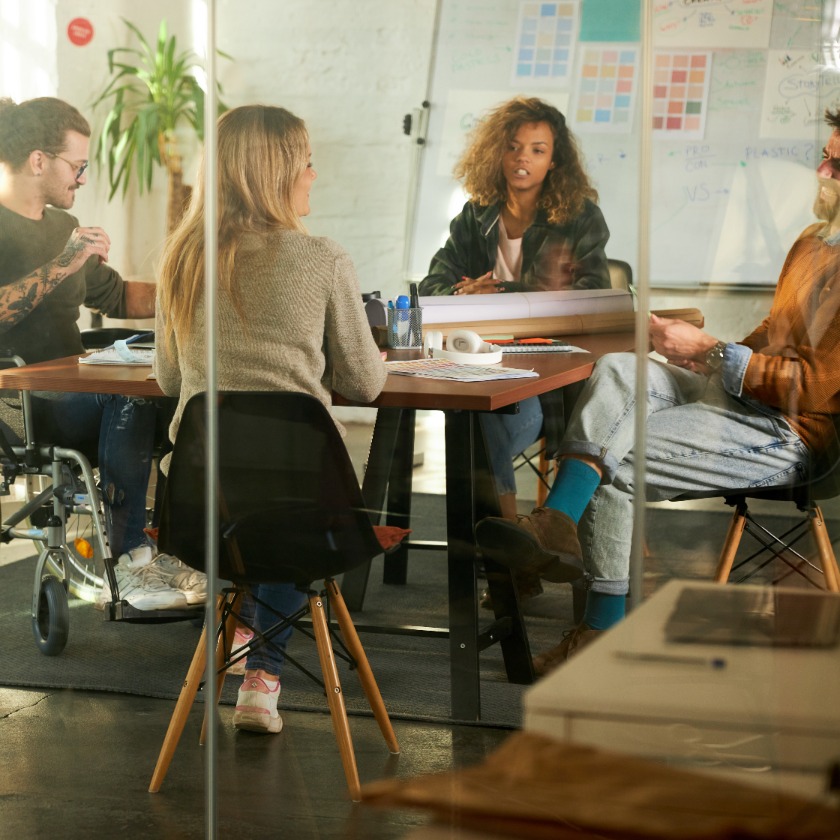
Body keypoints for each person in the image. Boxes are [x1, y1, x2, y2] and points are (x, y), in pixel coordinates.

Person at [476, 108, 840, 677]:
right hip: (752, 401)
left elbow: (814, 387)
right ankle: (557, 523)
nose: (821, 168)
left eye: (835, 162)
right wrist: (702, 352)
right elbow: (772, 337)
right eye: (826, 152)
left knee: (614, 457)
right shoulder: (815, 240)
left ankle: (601, 632)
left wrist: (715, 353)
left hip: (793, 431)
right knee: (623, 368)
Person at [154, 104, 387, 734]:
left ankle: (247, 634)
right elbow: (365, 382)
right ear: (277, 173)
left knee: (263, 487)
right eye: (307, 162)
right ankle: (262, 677)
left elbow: (169, 380)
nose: (315, 175)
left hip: (202, 497)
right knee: (293, 487)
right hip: (302, 496)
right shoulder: (321, 260)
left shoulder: (182, 257)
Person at [0, 96, 193, 610]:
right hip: (21, 405)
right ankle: (128, 562)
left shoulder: (63, 228)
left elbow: (117, 296)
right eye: (77, 166)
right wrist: (66, 264)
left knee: (187, 390)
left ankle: (173, 548)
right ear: (39, 160)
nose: (81, 179)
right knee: (127, 397)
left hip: (77, 391)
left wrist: (192, 287)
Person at [418, 96, 610, 606]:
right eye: (513, 146)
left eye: (538, 149)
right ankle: (514, 556)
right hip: (484, 367)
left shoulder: (581, 217)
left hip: (548, 380)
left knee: (484, 426)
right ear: (496, 153)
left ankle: (507, 565)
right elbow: (433, 280)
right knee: (478, 416)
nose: (523, 158)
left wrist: (500, 293)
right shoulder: (475, 215)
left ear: (555, 160)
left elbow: (592, 294)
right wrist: (462, 290)